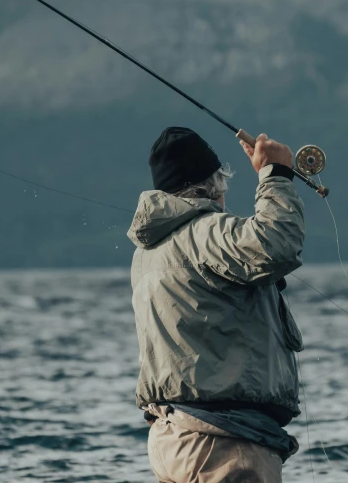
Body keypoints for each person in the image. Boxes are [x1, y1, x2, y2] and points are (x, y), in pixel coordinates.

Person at [126, 126, 306, 483]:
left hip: (172, 439)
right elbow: (277, 244)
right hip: (221, 444)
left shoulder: (148, 253)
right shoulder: (205, 233)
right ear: (213, 185)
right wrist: (276, 175)